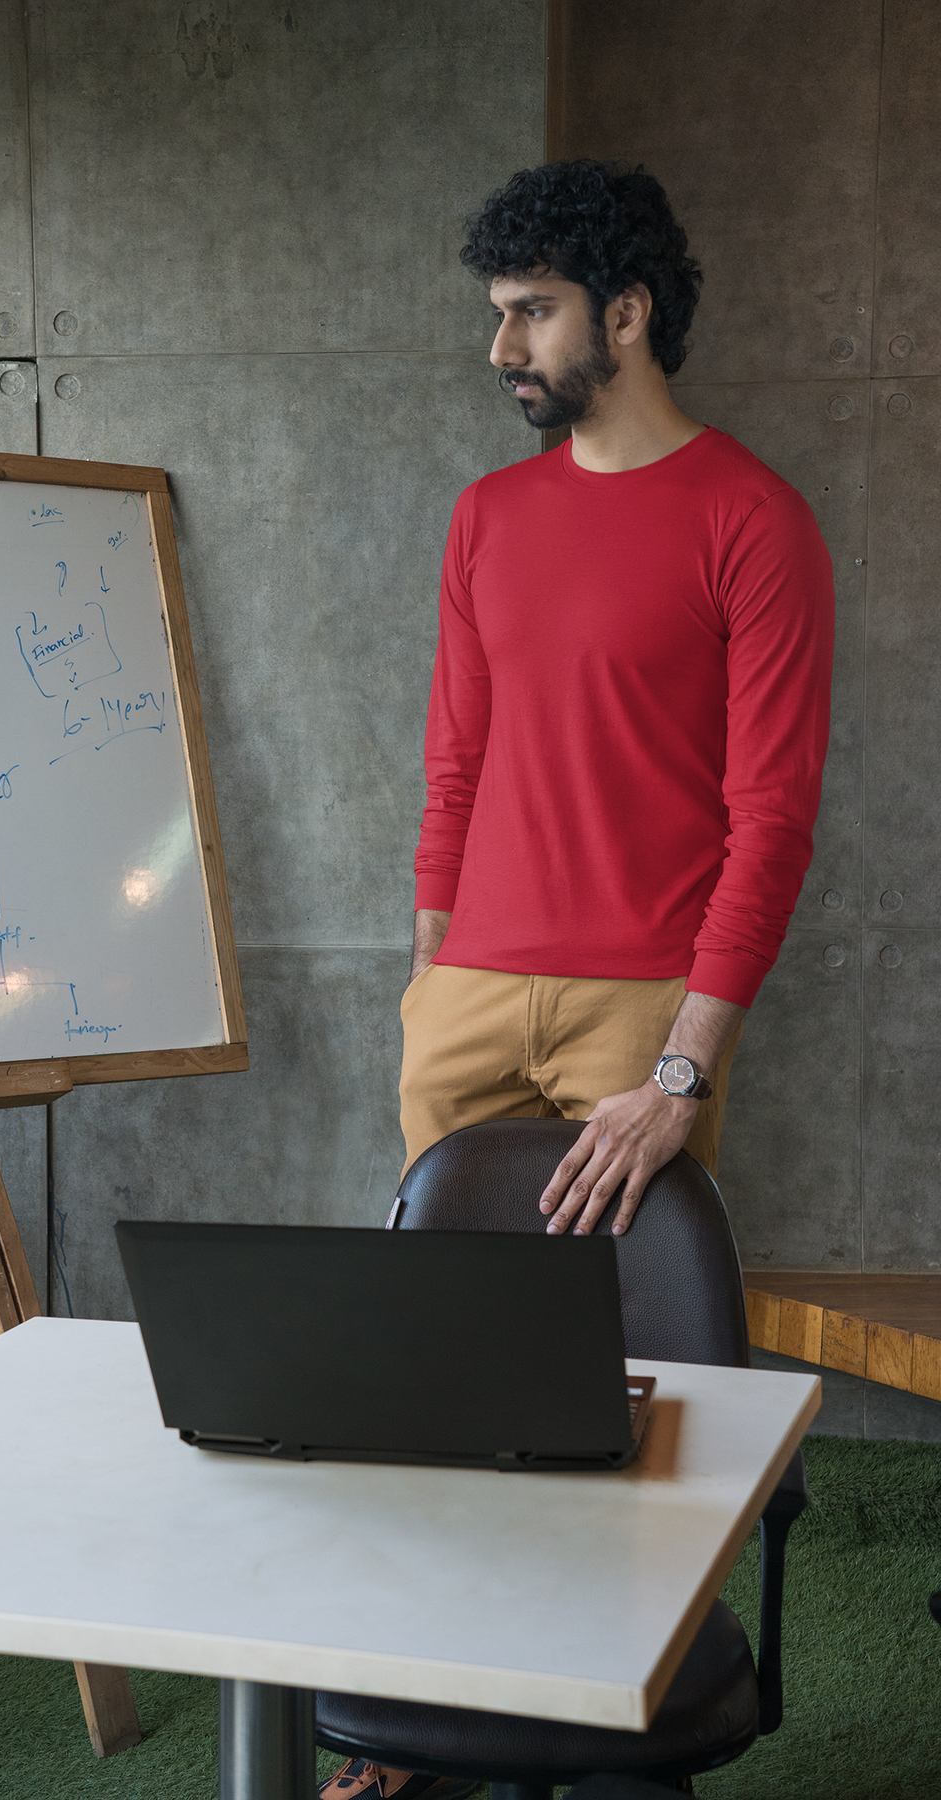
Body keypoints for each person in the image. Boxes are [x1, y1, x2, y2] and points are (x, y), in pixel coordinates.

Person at [320, 157, 833, 1800]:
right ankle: (417, 1718)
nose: (502, 351)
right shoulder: (488, 518)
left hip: (639, 1008)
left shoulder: (755, 521)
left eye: (528, 314)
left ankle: (616, 1700)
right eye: (497, 315)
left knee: (633, 1381)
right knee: (427, 1370)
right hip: (468, 989)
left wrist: (682, 1069)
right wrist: (429, 973)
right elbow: (453, 766)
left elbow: (773, 824)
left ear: (626, 314)